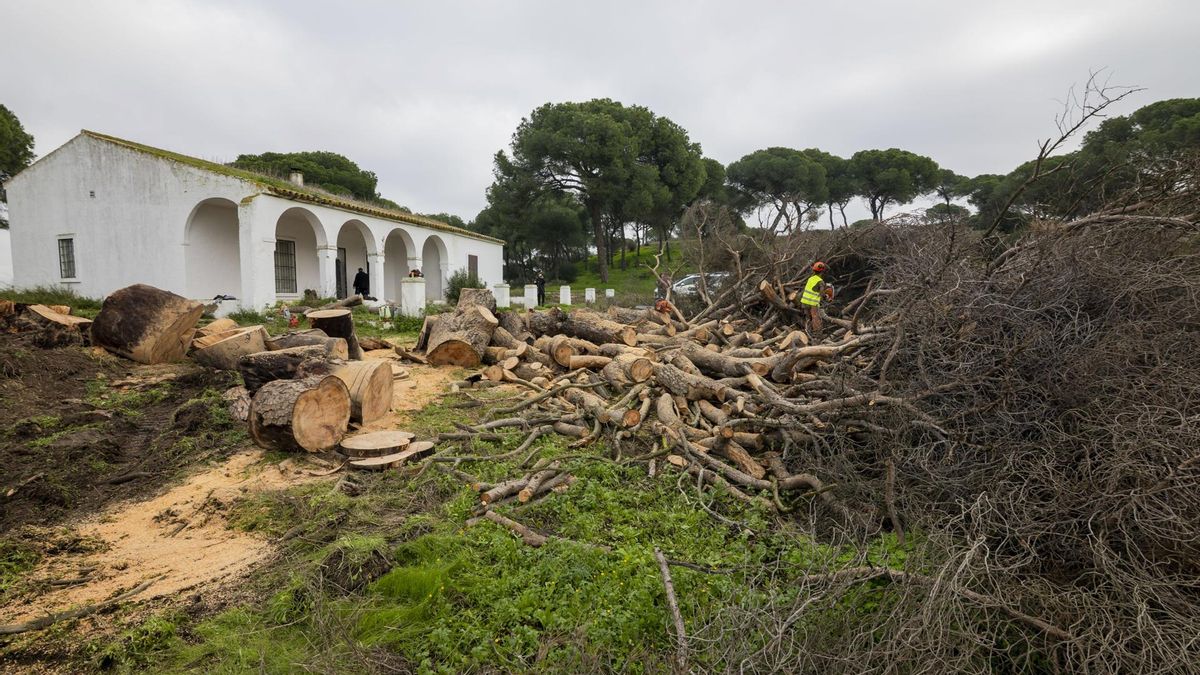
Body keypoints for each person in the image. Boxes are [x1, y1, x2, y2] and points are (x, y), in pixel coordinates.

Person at [800, 261, 833, 335]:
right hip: (813, 303)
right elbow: (821, 293)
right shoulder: (820, 281)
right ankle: (817, 334)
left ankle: (807, 332)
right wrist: (825, 297)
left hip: (805, 301)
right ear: (822, 272)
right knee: (816, 318)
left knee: (808, 318)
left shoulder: (810, 279)